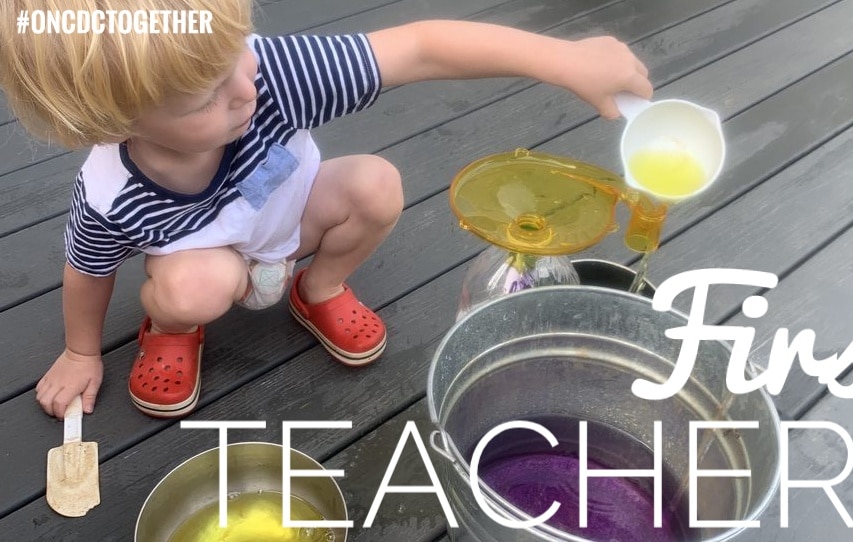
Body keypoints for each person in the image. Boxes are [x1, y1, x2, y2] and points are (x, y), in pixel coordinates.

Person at [0, 0, 653, 420]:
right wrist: (82, 353)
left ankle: (320, 287)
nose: (244, 87)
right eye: (205, 96)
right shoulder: (112, 193)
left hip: (292, 222)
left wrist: (564, 59)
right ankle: (172, 329)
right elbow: (86, 269)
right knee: (190, 287)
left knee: (375, 185)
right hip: (209, 259)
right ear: (110, 121)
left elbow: (421, 47)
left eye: (240, 49)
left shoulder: (269, 75)